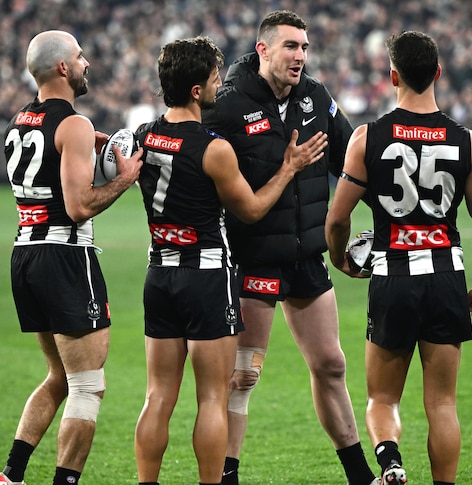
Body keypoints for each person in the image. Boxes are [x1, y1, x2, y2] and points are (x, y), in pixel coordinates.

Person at [132, 36, 328, 485]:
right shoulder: (214, 148)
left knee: (158, 395)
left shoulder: (145, 135)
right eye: (216, 79)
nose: (222, 86)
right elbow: (253, 209)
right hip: (204, 277)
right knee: (212, 398)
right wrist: (289, 168)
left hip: (159, 271)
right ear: (196, 90)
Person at [201, 10, 378, 485]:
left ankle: (361, 476)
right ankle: (227, 475)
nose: (300, 56)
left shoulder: (315, 97)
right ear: (263, 50)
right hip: (251, 257)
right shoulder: (229, 103)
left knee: (331, 364)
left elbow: (353, 158)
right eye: (291, 47)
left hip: (306, 256)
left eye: (304, 47)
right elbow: (190, 155)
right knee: (244, 375)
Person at [324, 31, 472, 485]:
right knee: (442, 404)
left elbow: (337, 218)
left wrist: (342, 258)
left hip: (393, 276)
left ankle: (391, 464)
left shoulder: (368, 138)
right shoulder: (468, 142)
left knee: (382, 398)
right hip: (445, 275)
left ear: (392, 75)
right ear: (438, 73)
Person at [0, 30, 143, 485]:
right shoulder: (72, 124)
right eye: (80, 56)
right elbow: (80, 206)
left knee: (58, 376)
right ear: (62, 68)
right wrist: (126, 178)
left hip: (26, 254)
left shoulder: (18, 122)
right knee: (87, 385)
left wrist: (79, 145)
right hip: (66, 254)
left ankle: (11, 476)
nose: (86, 62)